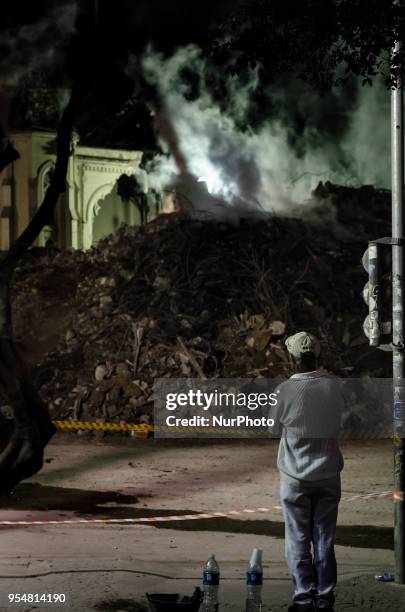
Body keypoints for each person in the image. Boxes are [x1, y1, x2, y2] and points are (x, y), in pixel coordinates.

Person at [271, 331, 344, 612]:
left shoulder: (285, 390)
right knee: (324, 537)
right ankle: (325, 599)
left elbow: (272, 428)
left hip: (294, 477)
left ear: (291, 358)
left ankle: (303, 598)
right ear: (317, 355)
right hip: (327, 474)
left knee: (297, 538)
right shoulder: (333, 386)